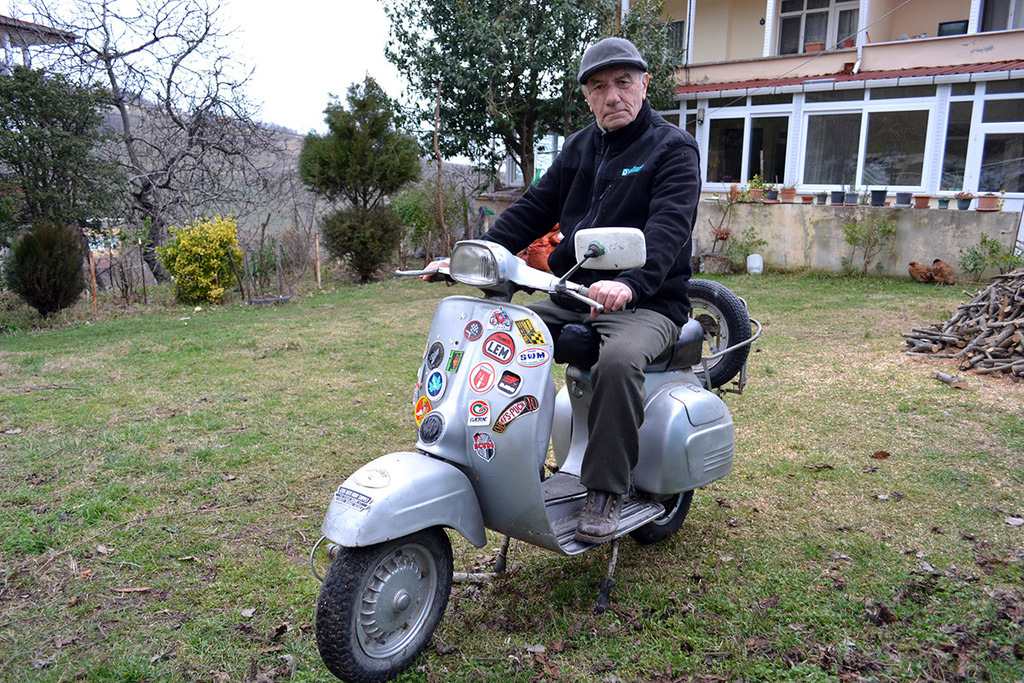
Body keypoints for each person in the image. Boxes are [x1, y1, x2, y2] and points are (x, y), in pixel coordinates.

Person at [431, 37, 701, 543]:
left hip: (647, 302)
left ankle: (605, 489)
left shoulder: (672, 148)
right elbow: (532, 209)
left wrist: (630, 284)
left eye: (623, 82)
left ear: (644, 84)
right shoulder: (580, 148)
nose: (613, 96)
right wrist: (471, 257)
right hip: (572, 293)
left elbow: (670, 228)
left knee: (619, 362)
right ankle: (499, 462)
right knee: (500, 334)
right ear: (586, 97)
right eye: (599, 87)